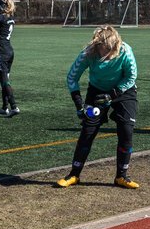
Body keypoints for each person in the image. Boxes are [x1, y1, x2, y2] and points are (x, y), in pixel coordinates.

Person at [56, 25, 140, 189]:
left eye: (110, 49)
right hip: (96, 91)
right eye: (104, 49)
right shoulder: (88, 53)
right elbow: (72, 77)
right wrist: (79, 104)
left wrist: (113, 95)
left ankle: (121, 176)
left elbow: (131, 76)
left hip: (124, 91)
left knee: (126, 130)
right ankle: (74, 174)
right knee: (88, 131)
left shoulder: (125, 51)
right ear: (97, 45)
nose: (107, 54)